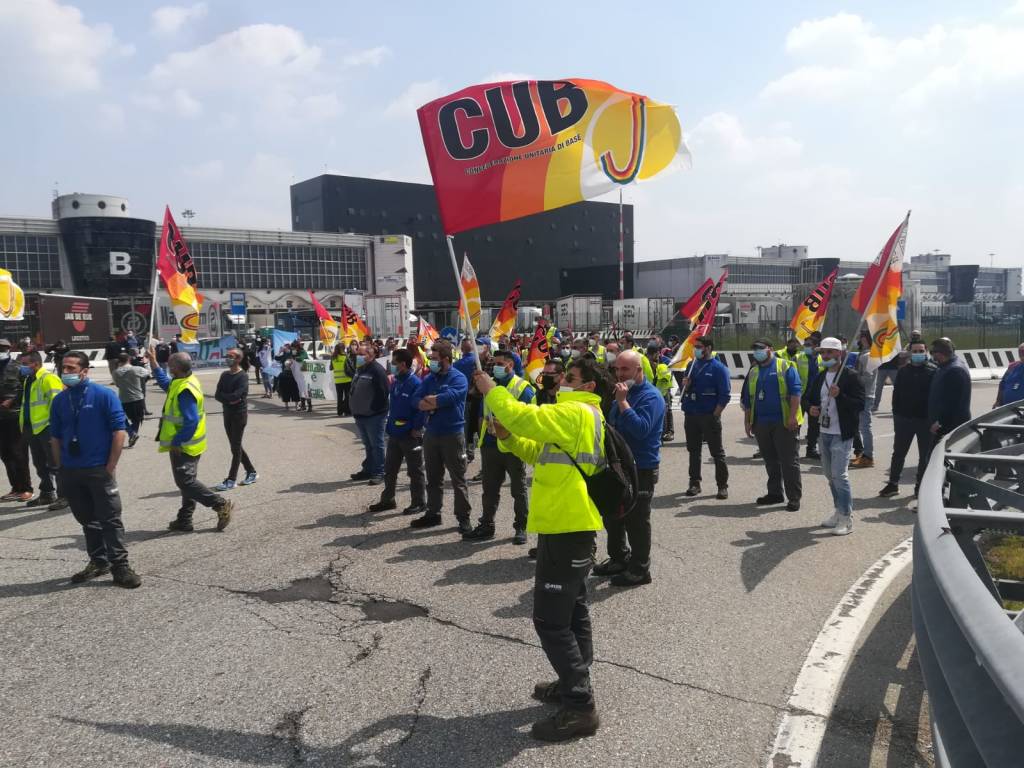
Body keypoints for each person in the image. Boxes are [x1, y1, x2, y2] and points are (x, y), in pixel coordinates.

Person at [471, 358, 608, 741]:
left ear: (590, 386)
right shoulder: (575, 415)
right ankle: (572, 681)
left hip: (569, 526)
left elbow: (527, 418)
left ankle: (581, 706)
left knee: (550, 620)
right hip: (562, 524)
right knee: (573, 609)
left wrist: (491, 392)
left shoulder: (577, 411)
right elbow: (537, 451)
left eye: (571, 377)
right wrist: (508, 438)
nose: (561, 380)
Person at [49, 351, 139, 588]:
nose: (65, 372)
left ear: (84, 371)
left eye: (70, 368)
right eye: (63, 368)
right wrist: (60, 467)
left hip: (99, 469)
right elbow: (55, 437)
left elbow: (119, 431)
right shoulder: (60, 400)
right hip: (71, 471)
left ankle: (120, 567)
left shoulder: (103, 395)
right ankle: (98, 562)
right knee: (87, 520)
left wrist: (110, 465)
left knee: (110, 519)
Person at [594, 350, 663, 587]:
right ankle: (619, 558)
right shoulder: (620, 393)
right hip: (618, 465)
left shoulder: (650, 397)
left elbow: (641, 429)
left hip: (640, 467)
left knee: (637, 520)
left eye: (625, 369)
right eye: (617, 369)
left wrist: (623, 403)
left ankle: (640, 568)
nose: (620, 374)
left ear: (639, 371)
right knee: (613, 515)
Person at [147, 351, 234, 533]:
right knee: (189, 481)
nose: (168, 368)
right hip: (191, 442)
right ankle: (184, 519)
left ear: (175, 369)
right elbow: (165, 383)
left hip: (184, 444)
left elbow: (191, 420)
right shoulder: (182, 381)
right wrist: (153, 362)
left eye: (169, 365)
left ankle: (220, 504)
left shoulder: (185, 389)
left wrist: (178, 441)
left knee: (185, 482)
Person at [464, 349, 534, 544]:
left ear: (510, 365)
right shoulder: (488, 385)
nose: (495, 367)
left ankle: (521, 527)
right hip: (490, 444)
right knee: (489, 488)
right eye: (494, 364)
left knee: (518, 489)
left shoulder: (522, 388)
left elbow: (528, 417)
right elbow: (481, 413)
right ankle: (487, 524)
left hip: (513, 445)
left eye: (500, 364)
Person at [803, 338, 865, 536]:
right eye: (823, 353)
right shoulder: (821, 376)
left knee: (840, 476)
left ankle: (846, 518)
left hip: (842, 434)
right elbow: (809, 398)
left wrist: (841, 396)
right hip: (824, 432)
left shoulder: (850, 376)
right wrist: (810, 408)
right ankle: (838, 511)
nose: (825, 356)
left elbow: (860, 404)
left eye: (830, 353)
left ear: (839, 354)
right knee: (830, 476)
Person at [409, 340, 471, 532]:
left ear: (445, 359)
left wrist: (432, 401)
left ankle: (463, 518)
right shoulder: (430, 379)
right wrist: (431, 402)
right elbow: (415, 399)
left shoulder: (458, 378)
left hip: (452, 435)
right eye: (430, 358)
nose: (431, 362)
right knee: (433, 478)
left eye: (434, 359)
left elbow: (450, 397)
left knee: (457, 479)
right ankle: (433, 513)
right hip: (432, 434)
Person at [740, 338, 803, 511]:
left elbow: (796, 393)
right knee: (770, 461)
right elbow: (748, 400)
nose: (757, 352)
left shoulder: (785, 366)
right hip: (761, 422)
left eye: (760, 349)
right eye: (755, 349)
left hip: (783, 422)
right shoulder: (753, 371)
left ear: (770, 349)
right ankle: (775, 493)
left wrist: (792, 417)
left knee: (789, 461)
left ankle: (794, 497)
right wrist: (748, 421)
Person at [368, 349, 426, 515]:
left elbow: (421, 409)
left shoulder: (415, 383)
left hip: (409, 435)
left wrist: (416, 428)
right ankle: (388, 499)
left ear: (403, 364)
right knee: (390, 469)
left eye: (394, 363)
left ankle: (419, 502)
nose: (391, 366)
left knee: (414, 471)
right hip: (394, 433)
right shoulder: (396, 381)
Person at [879, 340, 936, 498]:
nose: (918, 354)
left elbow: (936, 398)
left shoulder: (933, 371)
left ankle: (920, 488)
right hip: (904, 419)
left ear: (926, 352)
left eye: (921, 351)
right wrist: (896, 414)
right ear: (910, 353)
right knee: (898, 453)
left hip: (925, 421)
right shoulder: (903, 371)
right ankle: (893, 484)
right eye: (915, 351)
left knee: (924, 456)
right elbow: (896, 394)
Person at [680, 336, 731, 499]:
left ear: (708, 348)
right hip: (691, 414)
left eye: (699, 347)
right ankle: (694, 483)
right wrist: (686, 385)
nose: (696, 349)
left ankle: (722, 485)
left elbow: (725, 395)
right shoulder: (691, 365)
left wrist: (715, 414)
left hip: (709, 415)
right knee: (693, 450)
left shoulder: (718, 368)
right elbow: (685, 390)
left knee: (717, 452)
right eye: (695, 346)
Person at [17, 350, 67, 509]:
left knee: (56, 464)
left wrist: (56, 428)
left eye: (25, 364)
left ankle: (64, 496)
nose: (22, 367)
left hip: (47, 427)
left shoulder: (49, 378)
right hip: (32, 427)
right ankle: (47, 493)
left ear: (36, 364)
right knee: (40, 464)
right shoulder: (29, 380)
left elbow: (58, 404)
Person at [212, 348, 258, 491]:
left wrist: (229, 398)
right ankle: (251, 471)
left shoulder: (242, 376)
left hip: (239, 414)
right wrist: (229, 399)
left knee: (235, 447)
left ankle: (231, 479)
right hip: (227, 413)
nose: (228, 359)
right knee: (235, 445)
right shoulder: (224, 375)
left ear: (238, 359)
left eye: (231, 356)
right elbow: (217, 395)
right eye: (227, 356)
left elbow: (237, 396)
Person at [348, 341, 390, 484]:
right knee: (368, 445)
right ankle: (368, 469)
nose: (357, 357)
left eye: (361, 354)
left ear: (370, 356)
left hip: (374, 416)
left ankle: (379, 472)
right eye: (357, 354)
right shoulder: (360, 369)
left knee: (377, 445)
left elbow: (383, 393)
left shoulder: (377, 371)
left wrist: (373, 409)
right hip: (361, 415)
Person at [0, 338, 32, 502]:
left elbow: (27, 389)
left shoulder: (19, 368)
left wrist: (12, 399)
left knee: (18, 453)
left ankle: (26, 488)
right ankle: (16, 488)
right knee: (5, 454)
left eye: (3, 348)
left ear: (9, 348)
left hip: (15, 416)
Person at [928, 338, 971, 439]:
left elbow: (952, 403)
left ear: (939, 353)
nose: (932, 356)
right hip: (946, 424)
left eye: (932, 352)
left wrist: (940, 423)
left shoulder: (954, 371)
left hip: (949, 426)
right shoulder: (946, 366)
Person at [848, 330, 878, 468]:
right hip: (862, 394)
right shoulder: (864, 354)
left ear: (865, 339)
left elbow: (867, 378)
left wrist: (853, 376)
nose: (858, 340)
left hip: (865, 394)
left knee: (865, 427)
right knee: (861, 426)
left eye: (860, 337)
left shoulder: (868, 356)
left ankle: (868, 456)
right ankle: (864, 454)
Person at [111, 353, 148, 448]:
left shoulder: (115, 372)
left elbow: (117, 385)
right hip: (137, 397)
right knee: (137, 419)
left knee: (122, 418)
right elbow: (147, 373)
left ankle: (131, 433)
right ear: (129, 359)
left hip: (123, 398)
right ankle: (132, 433)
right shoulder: (136, 369)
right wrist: (143, 363)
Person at [454, 337, 481, 464]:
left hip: (465, 400)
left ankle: (467, 452)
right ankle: (473, 451)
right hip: (479, 399)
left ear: (462, 349)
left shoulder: (458, 364)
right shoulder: (479, 361)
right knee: (478, 427)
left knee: (466, 428)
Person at [645, 341, 674, 442]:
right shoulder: (645, 361)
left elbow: (667, 377)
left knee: (665, 413)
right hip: (651, 392)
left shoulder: (665, 361)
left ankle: (665, 433)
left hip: (663, 392)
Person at [995, 342, 1024, 407]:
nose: (1022, 354)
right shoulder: (1012, 366)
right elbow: (1002, 384)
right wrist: (998, 401)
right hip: (1007, 408)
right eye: (1020, 352)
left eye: (1023, 352)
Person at [331, 342, 354, 416]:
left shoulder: (333, 357)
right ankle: (347, 411)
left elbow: (330, 368)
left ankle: (339, 411)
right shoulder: (345, 357)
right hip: (347, 379)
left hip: (337, 380)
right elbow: (351, 367)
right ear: (343, 349)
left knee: (339, 397)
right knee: (348, 397)